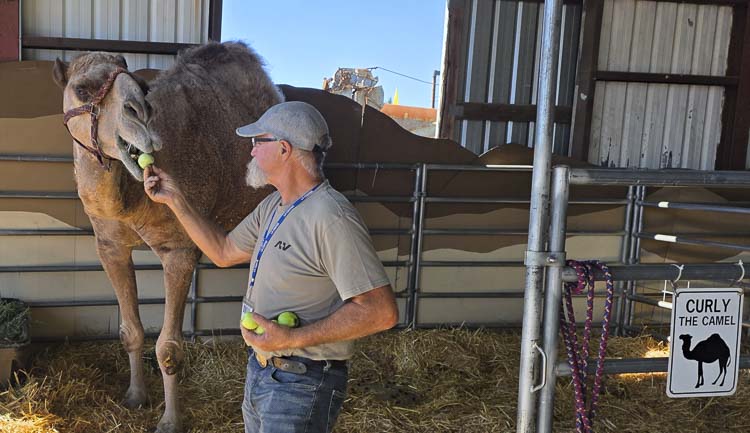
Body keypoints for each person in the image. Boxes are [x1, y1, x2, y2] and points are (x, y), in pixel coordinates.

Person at [143, 101, 399, 433]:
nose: (250, 152)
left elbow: (381, 311)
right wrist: (174, 198)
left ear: (283, 149)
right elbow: (223, 251)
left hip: (303, 380)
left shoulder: (331, 217)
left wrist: (292, 338)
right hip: (263, 369)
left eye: (257, 142)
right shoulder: (274, 206)